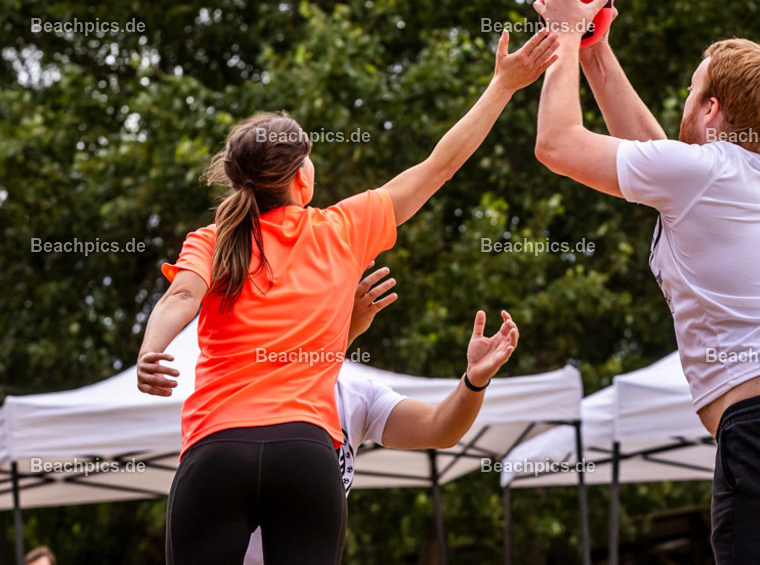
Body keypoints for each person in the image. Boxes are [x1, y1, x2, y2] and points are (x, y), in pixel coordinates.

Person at [137, 28, 556, 564]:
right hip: (305, 455)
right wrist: (502, 85)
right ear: (299, 178)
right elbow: (440, 165)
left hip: (216, 451)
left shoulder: (214, 239)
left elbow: (180, 299)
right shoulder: (342, 228)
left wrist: (152, 351)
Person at [531, 0, 760, 563]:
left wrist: (563, 34)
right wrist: (596, 53)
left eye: (691, 92)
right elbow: (658, 153)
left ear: (712, 109)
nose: (684, 103)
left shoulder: (704, 172)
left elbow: (557, 145)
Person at [242, 265, 519, 563]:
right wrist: (344, 332)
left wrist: (474, 381)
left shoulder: (357, 395)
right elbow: (297, 377)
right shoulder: (250, 378)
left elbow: (441, 429)